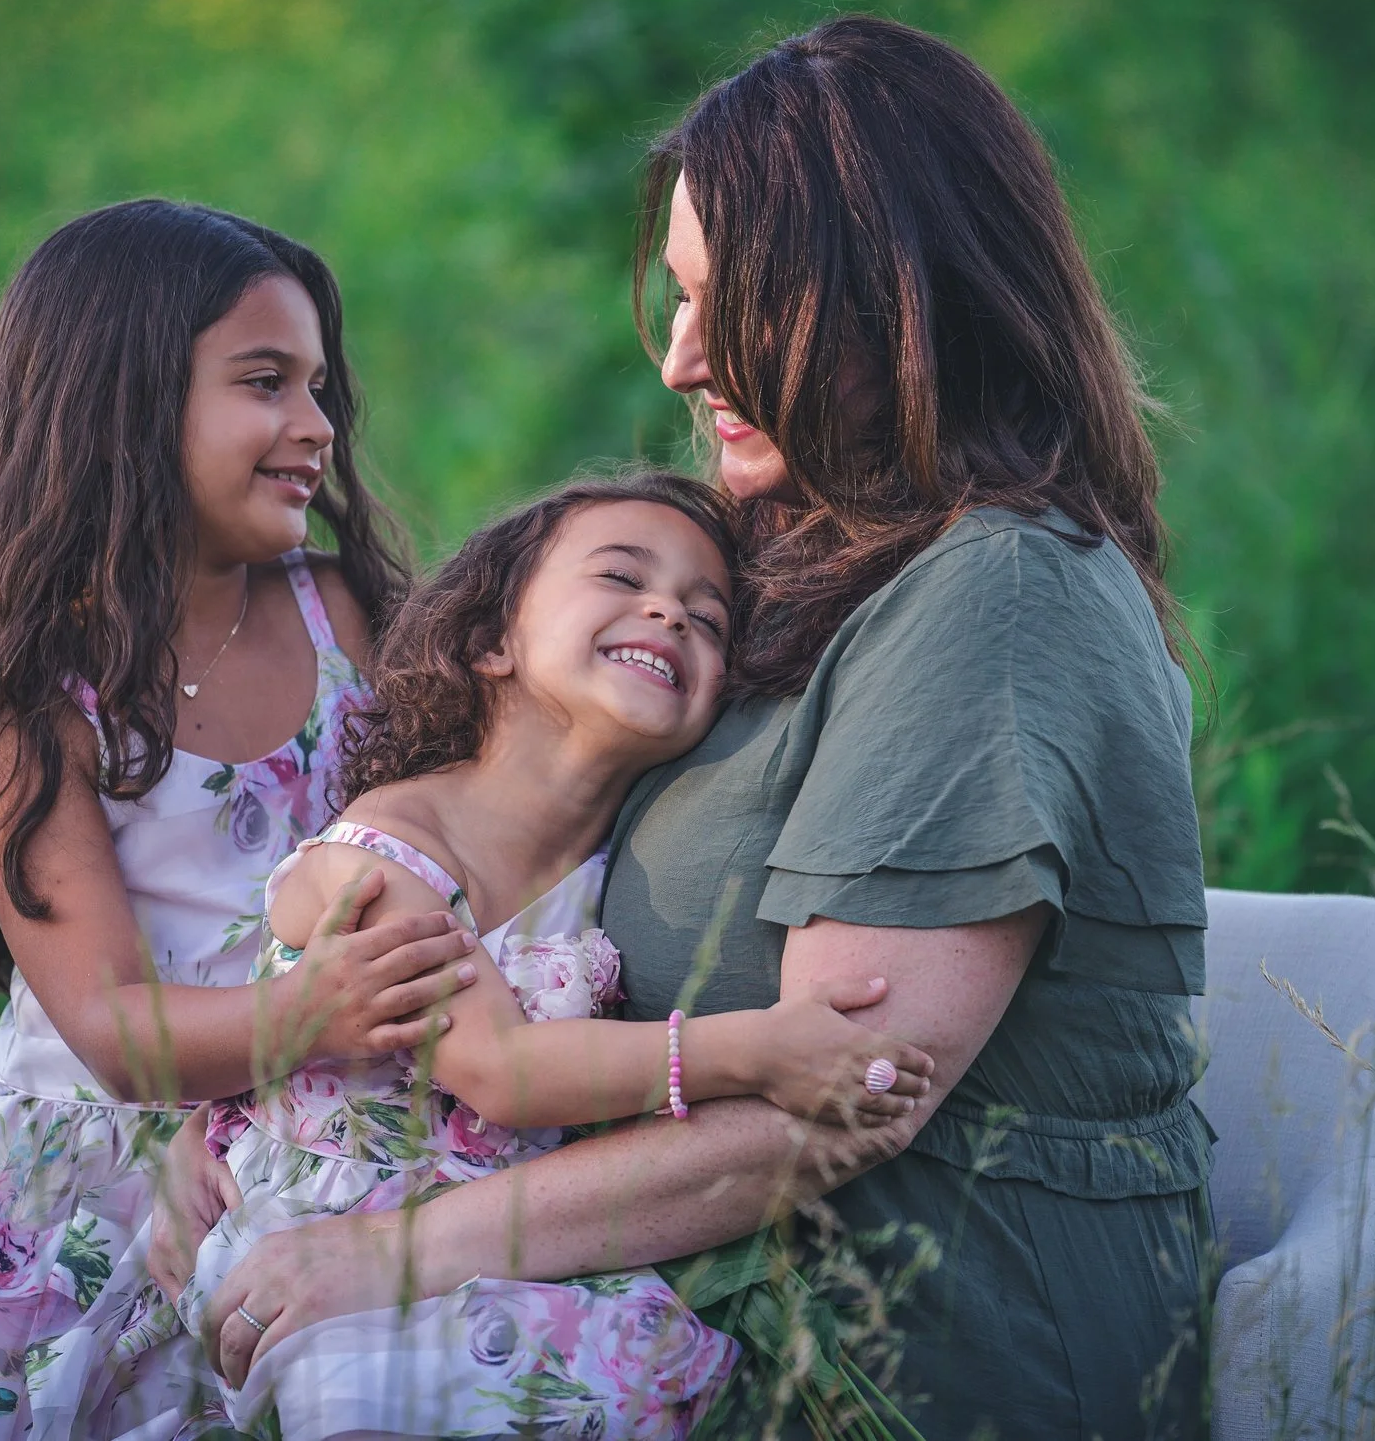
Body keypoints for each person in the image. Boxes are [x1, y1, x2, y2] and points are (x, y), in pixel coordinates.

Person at [163, 17, 1215, 1440]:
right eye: (676, 295)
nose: (678, 358)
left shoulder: (998, 595)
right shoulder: (784, 552)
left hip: (881, 1333)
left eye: (733, 304)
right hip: (658, 1276)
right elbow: (494, 859)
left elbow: (846, 1101)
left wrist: (393, 1250)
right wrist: (248, 1118)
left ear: (892, 303)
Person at [0, 199, 485, 1441]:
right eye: (265, 382)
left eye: (320, 387)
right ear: (120, 402)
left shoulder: (343, 615)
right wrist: (312, 1009)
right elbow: (108, 1023)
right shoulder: (33, 705)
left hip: (310, 1140)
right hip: (88, 1188)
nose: (316, 426)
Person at [165, 473, 935, 1439]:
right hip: (323, 1241)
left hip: (486, 1247)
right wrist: (758, 1049)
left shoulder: (613, 868)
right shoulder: (385, 851)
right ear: (492, 641)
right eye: (622, 576)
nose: (670, 612)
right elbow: (502, 1072)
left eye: (709, 617)